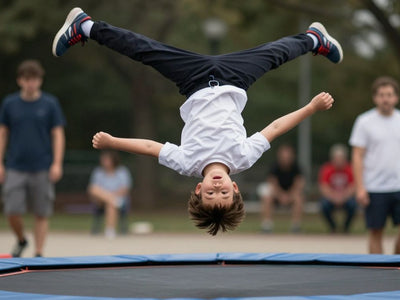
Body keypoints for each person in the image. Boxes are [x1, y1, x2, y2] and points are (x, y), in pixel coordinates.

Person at [53, 7, 341, 235]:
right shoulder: (243, 157)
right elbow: (275, 128)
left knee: (145, 50)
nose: (217, 186)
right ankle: (315, 39)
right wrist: (310, 108)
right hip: (235, 79)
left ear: (199, 190)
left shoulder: (187, 163)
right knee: (274, 54)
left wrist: (113, 142)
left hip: (194, 81)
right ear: (235, 188)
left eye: (211, 193)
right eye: (224, 192)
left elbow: (150, 147)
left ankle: (85, 26)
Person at [0, 60, 66, 257]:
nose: (31, 83)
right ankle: (21, 239)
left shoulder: (50, 104)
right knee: (11, 210)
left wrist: (57, 163)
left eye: (35, 79)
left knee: (42, 212)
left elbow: (58, 134)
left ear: (40, 80)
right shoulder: (10, 103)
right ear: (20, 80)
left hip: (42, 166)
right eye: (28, 79)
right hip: (15, 166)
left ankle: (38, 252)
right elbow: (3, 133)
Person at [350, 76, 400, 254]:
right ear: (375, 98)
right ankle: (378, 273)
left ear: (396, 97)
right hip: (374, 187)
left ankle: (396, 267)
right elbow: (357, 156)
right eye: (381, 95)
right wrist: (360, 188)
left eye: (389, 94)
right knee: (375, 232)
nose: (385, 99)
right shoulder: (364, 122)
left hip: (398, 186)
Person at [88, 150, 132, 239]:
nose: (104, 162)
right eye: (103, 160)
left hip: (119, 198)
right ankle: (113, 200)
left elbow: (125, 189)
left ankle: (110, 229)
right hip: (101, 200)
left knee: (110, 204)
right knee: (93, 189)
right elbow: (93, 190)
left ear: (113, 160)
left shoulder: (122, 171)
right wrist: (109, 197)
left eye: (106, 160)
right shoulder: (98, 172)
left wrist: (109, 197)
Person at [260, 144, 304, 233]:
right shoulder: (274, 167)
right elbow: (272, 184)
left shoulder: (296, 167)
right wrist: (281, 196)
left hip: (291, 195)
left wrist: (289, 195)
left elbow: (299, 184)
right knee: (267, 197)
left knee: (299, 199)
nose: (286, 158)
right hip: (277, 194)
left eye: (288, 155)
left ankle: (296, 226)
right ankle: (267, 225)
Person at [318, 144, 356, 233]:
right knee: (324, 205)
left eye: (341, 158)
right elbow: (324, 187)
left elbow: (353, 186)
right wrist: (334, 197)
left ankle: (346, 228)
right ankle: (333, 227)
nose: (339, 160)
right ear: (333, 158)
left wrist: (343, 196)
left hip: (346, 197)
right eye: (337, 158)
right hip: (331, 197)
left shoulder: (350, 168)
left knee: (353, 205)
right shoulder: (327, 169)